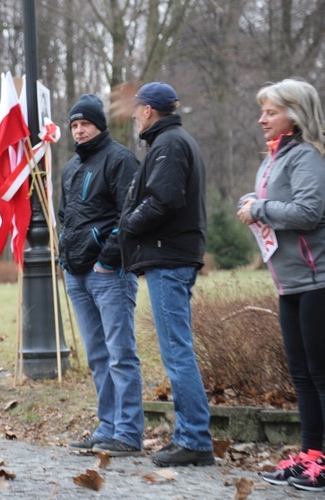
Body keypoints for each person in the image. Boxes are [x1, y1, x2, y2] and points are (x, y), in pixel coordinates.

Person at [118, 82, 214, 467]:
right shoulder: (169, 141)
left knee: (176, 352)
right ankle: (190, 436)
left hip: (169, 257)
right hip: (171, 255)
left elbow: (164, 200)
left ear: (148, 110)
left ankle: (194, 439)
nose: (133, 114)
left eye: (137, 107)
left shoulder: (169, 144)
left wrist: (128, 225)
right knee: (176, 349)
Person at [236, 78, 325, 491]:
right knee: (303, 376)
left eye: (270, 111)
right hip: (289, 285)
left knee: (321, 375)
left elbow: (308, 212)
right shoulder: (274, 157)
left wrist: (262, 208)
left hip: (316, 281)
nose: (262, 119)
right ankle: (311, 455)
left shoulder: (307, 155)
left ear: (295, 113)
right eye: (263, 111)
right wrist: (253, 205)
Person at [57, 94, 143, 456]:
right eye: (74, 125)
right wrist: (66, 257)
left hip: (109, 273)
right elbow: (66, 215)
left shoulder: (121, 159)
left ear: (100, 126)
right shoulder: (70, 167)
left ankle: (128, 433)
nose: (79, 131)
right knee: (97, 355)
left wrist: (107, 258)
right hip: (76, 274)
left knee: (121, 353)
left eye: (85, 124)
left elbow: (132, 214)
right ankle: (107, 427)